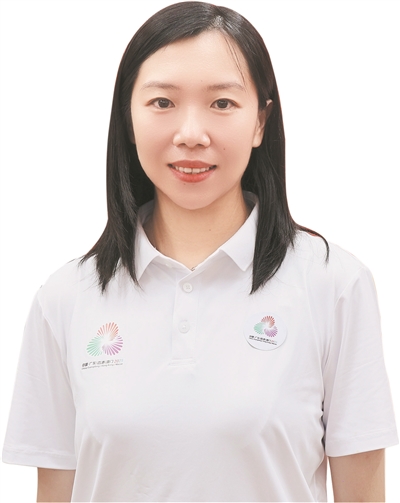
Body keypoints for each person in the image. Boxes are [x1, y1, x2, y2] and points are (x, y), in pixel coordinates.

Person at [2, 2, 398, 502]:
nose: (191, 134)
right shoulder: (66, 298)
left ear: (260, 121)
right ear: (128, 117)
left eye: (222, 103)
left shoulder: (333, 283)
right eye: (162, 102)